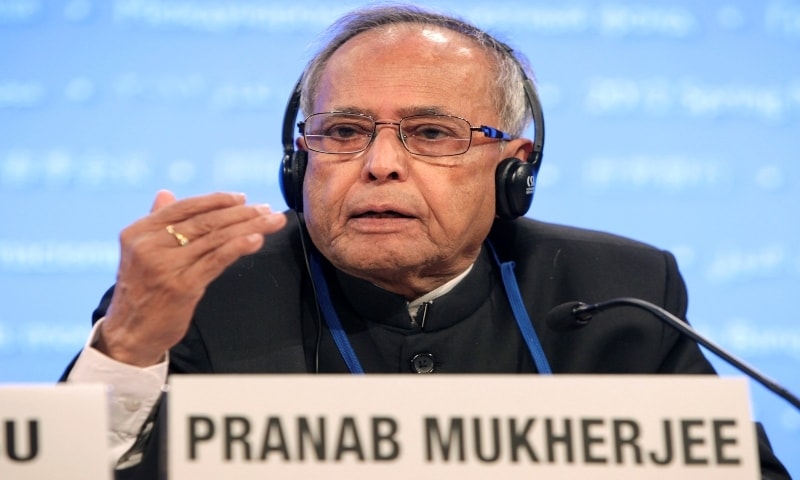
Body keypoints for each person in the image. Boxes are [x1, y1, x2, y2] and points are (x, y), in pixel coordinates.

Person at [62, 4, 790, 479]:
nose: (379, 163)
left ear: (515, 169)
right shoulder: (206, 288)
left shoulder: (619, 289)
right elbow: (66, 472)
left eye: (432, 133)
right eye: (343, 132)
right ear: (298, 161)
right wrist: (128, 341)